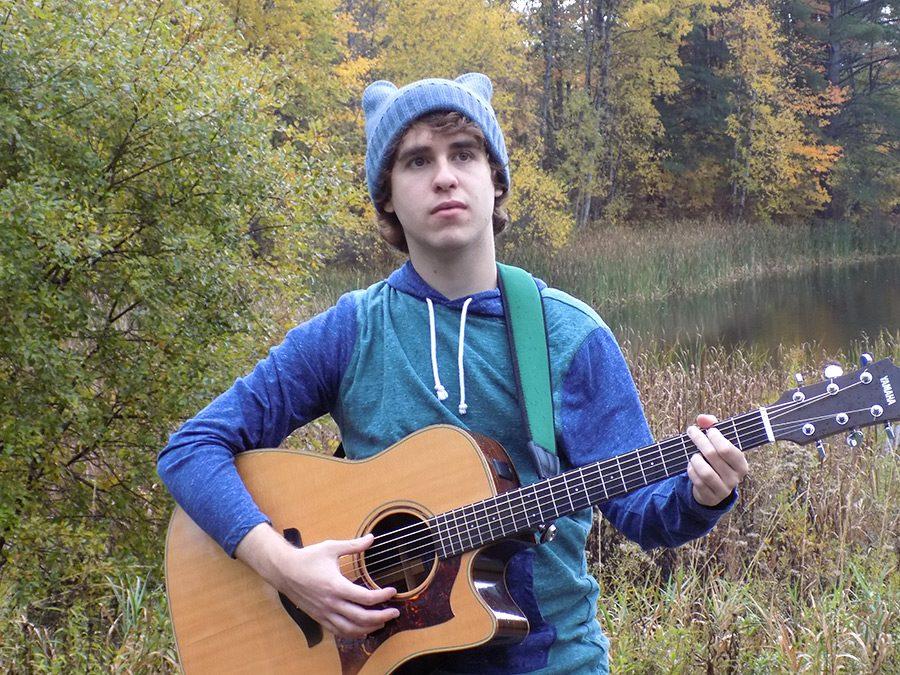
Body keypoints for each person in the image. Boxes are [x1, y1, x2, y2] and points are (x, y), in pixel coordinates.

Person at [158, 73, 749, 674]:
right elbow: (190, 451)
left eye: (463, 154)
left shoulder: (567, 335)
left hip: (551, 662)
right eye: (417, 160)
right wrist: (283, 567)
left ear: (495, 180)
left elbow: (644, 513)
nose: (444, 176)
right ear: (386, 194)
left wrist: (704, 493)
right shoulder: (351, 330)